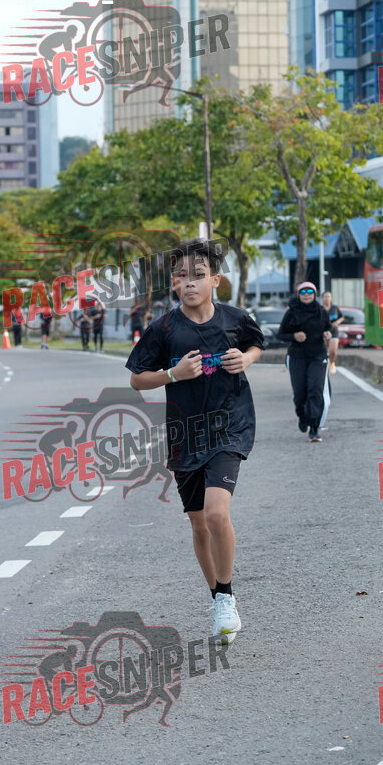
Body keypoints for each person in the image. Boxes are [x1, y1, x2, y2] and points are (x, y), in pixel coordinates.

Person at [125, 238, 264, 645]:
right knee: (199, 524)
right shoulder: (164, 329)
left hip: (229, 428)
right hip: (185, 436)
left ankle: (226, 598)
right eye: (182, 276)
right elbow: (137, 379)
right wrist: (174, 375)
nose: (189, 283)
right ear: (174, 282)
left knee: (218, 513)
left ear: (215, 280)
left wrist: (246, 358)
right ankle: (218, 597)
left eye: (198, 275)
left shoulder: (235, 319)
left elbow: (256, 343)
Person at [278, 282, 332, 442]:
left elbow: (329, 328)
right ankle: (302, 416)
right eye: (303, 291)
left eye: (310, 291)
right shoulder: (291, 312)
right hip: (297, 356)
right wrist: (294, 336)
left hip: (318, 355)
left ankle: (314, 428)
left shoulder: (321, 311)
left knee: (315, 389)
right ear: (298, 294)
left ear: (315, 294)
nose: (306, 294)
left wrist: (328, 333)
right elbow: (280, 334)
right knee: (300, 393)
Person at [321, 291, 344, 375]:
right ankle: (324, 366)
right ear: (322, 298)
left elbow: (342, 317)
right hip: (323, 332)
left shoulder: (335, 308)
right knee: (324, 350)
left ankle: (331, 362)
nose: (327, 298)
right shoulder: (320, 308)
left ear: (331, 298)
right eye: (325, 296)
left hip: (333, 331)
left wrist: (337, 322)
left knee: (333, 351)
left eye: (329, 296)